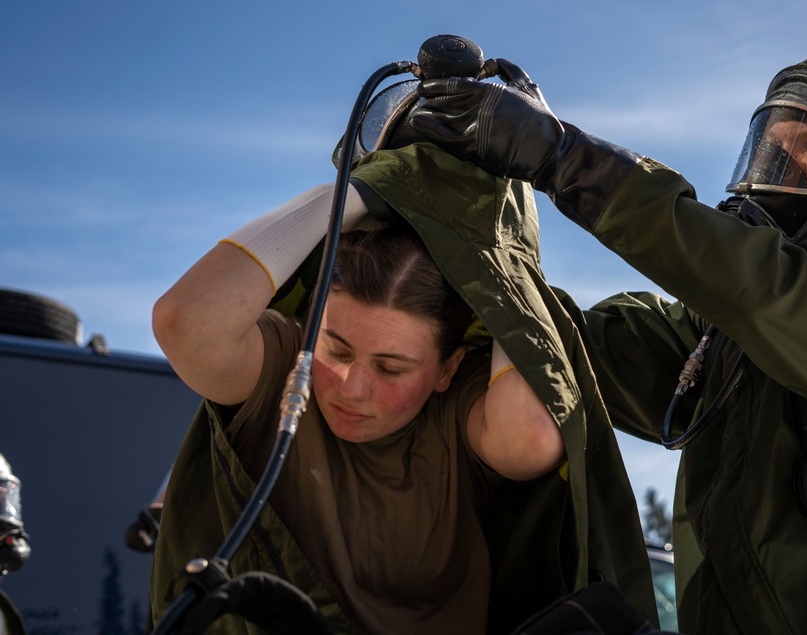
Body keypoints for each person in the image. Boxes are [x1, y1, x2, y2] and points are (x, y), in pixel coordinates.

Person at [408, 49, 807, 633]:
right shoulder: (723, 340)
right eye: (771, 145)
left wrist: (560, 155)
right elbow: (566, 344)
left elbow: (762, 287)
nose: (783, 165)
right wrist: (444, 229)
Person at [149, 181, 567, 633]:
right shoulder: (287, 362)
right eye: (338, 351)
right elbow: (186, 323)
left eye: (391, 369)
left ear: (447, 370)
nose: (353, 387)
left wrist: (503, 256)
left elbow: (529, 442)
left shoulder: (461, 407)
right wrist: (363, 190)